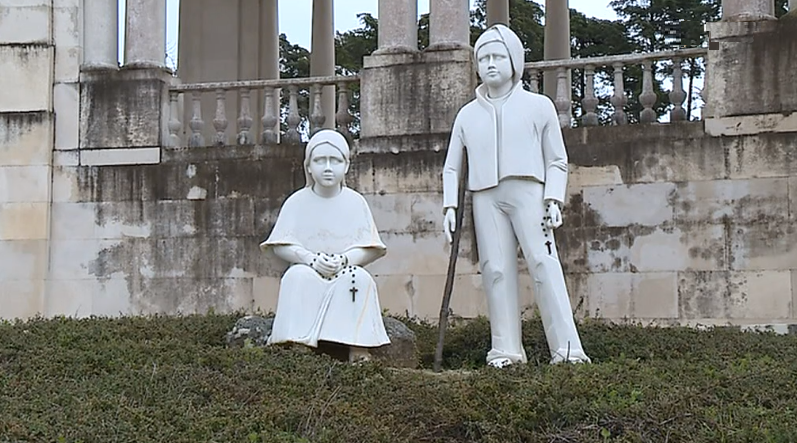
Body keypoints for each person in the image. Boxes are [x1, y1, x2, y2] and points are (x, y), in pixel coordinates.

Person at [442, 24, 590, 368]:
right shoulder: (466, 114)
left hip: (529, 192)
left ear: (514, 61)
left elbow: (556, 159)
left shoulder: (539, 106)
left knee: (543, 263)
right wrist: (450, 203)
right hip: (484, 196)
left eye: (497, 56)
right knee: (495, 270)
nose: (490, 64)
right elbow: (451, 167)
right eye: (483, 58)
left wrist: (554, 198)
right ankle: (505, 349)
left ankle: (568, 350)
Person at [260, 129, 390, 363]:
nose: (328, 167)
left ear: (346, 165)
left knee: (359, 280)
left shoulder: (355, 202)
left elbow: (370, 247)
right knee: (296, 277)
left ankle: (358, 347)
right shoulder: (296, 202)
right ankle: (299, 343)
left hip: (343, 270)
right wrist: (310, 259)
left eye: (335, 160)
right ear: (309, 166)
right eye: (320, 160)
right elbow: (280, 245)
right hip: (309, 268)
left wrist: (344, 260)